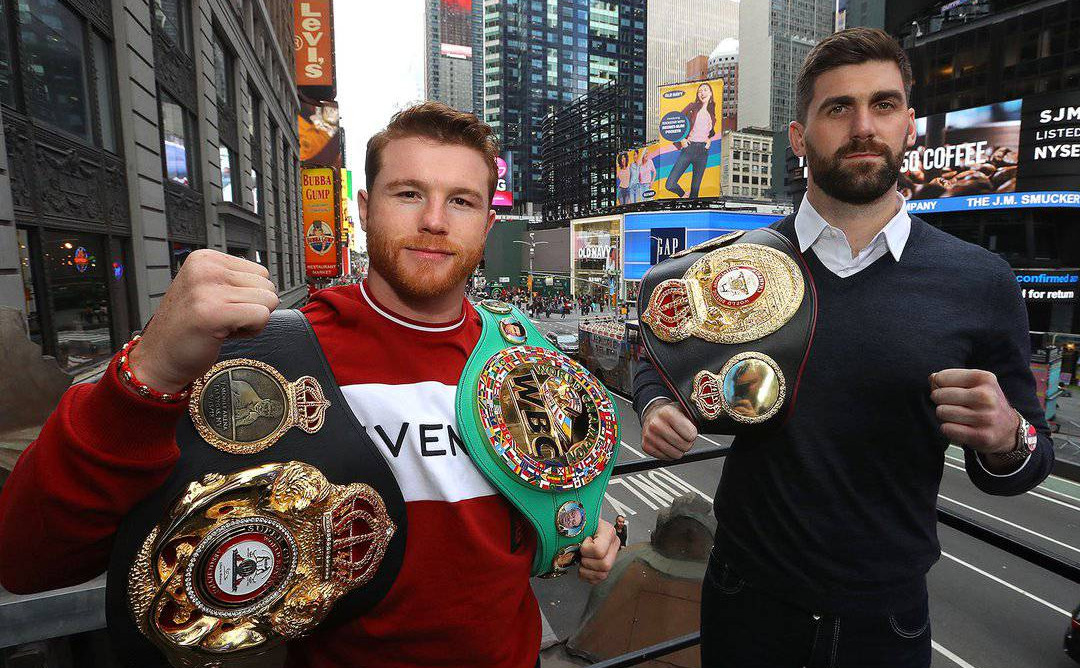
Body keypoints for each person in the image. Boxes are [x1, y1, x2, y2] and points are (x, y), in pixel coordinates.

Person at [0, 103, 619, 668]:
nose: (434, 221)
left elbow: (565, 476)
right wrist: (147, 375)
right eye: (408, 192)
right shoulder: (266, 357)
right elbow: (29, 558)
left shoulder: (524, 352)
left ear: (487, 224)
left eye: (461, 201)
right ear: (363, 208)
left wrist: (595, 524)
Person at [634, 28, 1053, 668]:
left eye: (883, 105)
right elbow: (657, 355)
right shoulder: (740, 267)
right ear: (800, 137)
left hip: (887, 621)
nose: (863, 126)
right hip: (746, 600)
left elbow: (1026, 461)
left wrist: (1005, 436)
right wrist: (653, 402)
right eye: (838, 108)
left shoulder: (980, 282)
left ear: (909, 124)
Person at [664, 82, 717, 199]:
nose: (702, 93)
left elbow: (710, 131)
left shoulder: (712, 114)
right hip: (689, 148)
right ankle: (683, 195)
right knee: (670, 184)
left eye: (705, 90)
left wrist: (709, 140)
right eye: (700, 91)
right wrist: (682, 138)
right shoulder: (692, 107)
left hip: (703, 152)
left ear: (711, 93)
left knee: (695, 192)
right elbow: (677, 120)